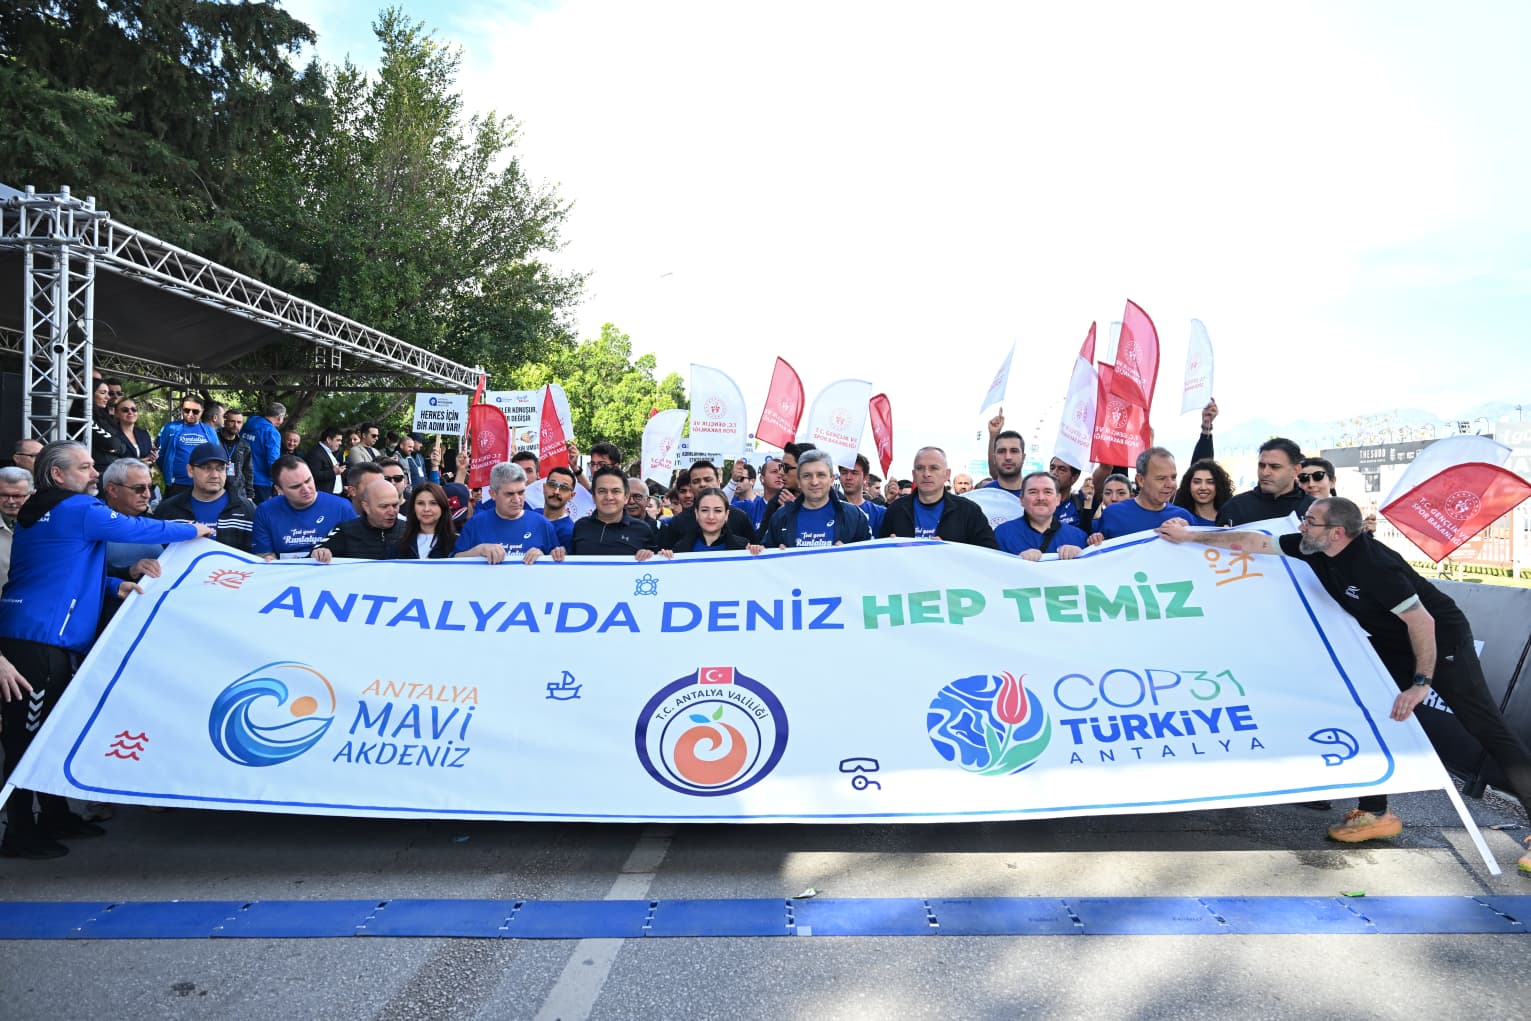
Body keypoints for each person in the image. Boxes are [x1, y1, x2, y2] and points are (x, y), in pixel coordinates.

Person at [1157, 498, 1531, 874]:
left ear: (1337, 532)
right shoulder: (1314, 547)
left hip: (1441, 641)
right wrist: (1189, 536)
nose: (1301, 527)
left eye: (1310, 522)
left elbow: (1423, 623)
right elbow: (1253, 542)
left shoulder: (1375, 566)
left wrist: (1421, 684)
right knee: (1369, 710)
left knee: (1485, 727)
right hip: (1393, 642)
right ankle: (1375, 813)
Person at [0, 442, 211, 859]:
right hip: (40, 640)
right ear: (58, 475)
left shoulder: (37, 512)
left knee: (48, 732)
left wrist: (116, 585)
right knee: (27, 739)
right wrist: (193, 530)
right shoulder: (77, 507)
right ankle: (19, 830)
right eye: (85, 467)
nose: (95, 472)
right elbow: (137, 529)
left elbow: (59, 572)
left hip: (35, 634)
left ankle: (55, 816)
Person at [879, 447, 998, 548]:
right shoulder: (896, 510)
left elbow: (989, 554)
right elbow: (880, 554)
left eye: (934, 468)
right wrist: (889, 546)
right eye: (920, 468)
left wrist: (951, 552)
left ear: (947, 474)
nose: (926, 474)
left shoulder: (969, 511)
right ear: (914, 474)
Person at [453, 462, 563, 565]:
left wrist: (543, 557)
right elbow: (454, 560)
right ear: (493, 494)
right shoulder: (475, 524)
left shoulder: (542, 524)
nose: (517, 500)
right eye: (509, 494)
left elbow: (558, 561)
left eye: (521, 492)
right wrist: (478, 551)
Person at [759, 449, 873, 548]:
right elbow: (765, 559)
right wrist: (760, 550)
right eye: (807, 476)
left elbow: (870, 557)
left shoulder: (854, 516)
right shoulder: (780, 517)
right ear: (799, 481)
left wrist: (849, 555)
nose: (814, 482)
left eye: (821, 475)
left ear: (832, 479)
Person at [251, 455, 357, 561]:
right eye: (296, 487)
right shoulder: (265, 511)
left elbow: (358, 551)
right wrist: (267, 559)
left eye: (308, 480)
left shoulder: (342, 508)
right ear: (279, 490)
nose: (306, 489)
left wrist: (331, 554)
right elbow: (263, 554)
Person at [155, 443, 257, 552]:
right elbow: (156, 553)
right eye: (206, 468)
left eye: (220, 468)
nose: (215, 475)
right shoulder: (167, 511)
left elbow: (259, 554)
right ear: (190, 470)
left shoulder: (247, 511)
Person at [1094, 447, 1195, 541]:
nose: (1170, 484)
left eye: (1173, 478)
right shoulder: (1113, 514)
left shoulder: (1184, 517)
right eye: (1161, 478)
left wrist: (1190, 536)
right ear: (1141, 480)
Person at [1219, 437, 1313, 526]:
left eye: (1275, 467)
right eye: (1262, 466)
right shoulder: (1235, 507)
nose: (1265, 472)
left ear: (1296, 470)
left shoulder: (1313, 508)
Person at [658, 460, 754, 548]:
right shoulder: (678, 523)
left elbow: (755, 553)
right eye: (696, 481)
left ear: (718, 482)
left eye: (708, 479)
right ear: (690, 486)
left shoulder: (739, 518)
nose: (702, 484)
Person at [995, 472, 1089, 560]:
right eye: (1033, 492)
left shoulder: (1078, 537)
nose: (1041, 498)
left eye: (1047, 492)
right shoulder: (1002, 534)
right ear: (1022, 499)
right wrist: (1017, 561)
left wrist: (1080, 556)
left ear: (1058, 499)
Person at [572, 466, 660, 558]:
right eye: (602, 491)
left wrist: (661, 556)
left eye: (616, 491)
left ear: (626, 497)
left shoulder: (642, 530)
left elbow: (656, 564)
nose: (609, 497)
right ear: (593, 497)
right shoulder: (580, 526)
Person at [312, 478, 406, 562]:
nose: (392, 512)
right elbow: (310, 560)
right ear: (366, 507)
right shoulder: (345, 531)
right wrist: (320, 553)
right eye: (384, 506)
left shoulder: (408, 531)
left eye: (395, 505)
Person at [658, 488, 763, 555]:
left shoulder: (743, 548)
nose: (711, 516)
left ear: (726, 515)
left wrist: (759, 553)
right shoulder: (679, 549)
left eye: (718, 511)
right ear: (696, 513)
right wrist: (662, 558)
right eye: (704, 510)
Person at [156, 395, 218, 497]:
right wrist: (168, 472)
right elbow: (160, 454)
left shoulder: (210, 431)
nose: (190, 414)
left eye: (195, 411)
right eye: (186, 410)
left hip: (202, 485)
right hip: (176, 485)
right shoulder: (171, 428)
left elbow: (216, 455)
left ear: (202, 411)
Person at [397, 482, 458, 559]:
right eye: (420, 503)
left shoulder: (457, 543)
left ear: (442, 507)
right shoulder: (400, 545)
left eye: (433, 503)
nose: (426, 509)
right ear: (413, 507)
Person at [240, 401, 286, 503]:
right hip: (261, 481)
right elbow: (273, 460)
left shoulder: (247, 425)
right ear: (280, 417)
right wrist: (278, 481)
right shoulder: (271, 432)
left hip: (240, 476)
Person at [1173, 458, 1235, 526]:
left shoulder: (1232, 519)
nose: (1203, 487)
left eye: (1210, 482)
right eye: (1197, 482)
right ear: (1188, 485)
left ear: (1219, 485)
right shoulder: (1178, 520)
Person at [0, 465, 33, 590]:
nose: (11, 501)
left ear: (31, 495)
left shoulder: (45, 525)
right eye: (4, 495)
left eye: (17, 496)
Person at [216, 408, 256, 504]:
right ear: (225, 422)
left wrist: (249, 495)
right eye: (232, 421)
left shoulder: (244, 445)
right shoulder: (214, 440)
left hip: (238, 492)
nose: (235, 425)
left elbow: (248, 470)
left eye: (239, 422)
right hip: (217, 489)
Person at [839, 453, 886, 536]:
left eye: (854, 473)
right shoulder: (830, 510)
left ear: (866, 478)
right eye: (844, 472)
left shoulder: (880, 513)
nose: (848, 477)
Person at [733, 455, 783, 532]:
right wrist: (732, 482)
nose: (780, 475)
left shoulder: (793, 508)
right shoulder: (748, 507)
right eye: (774, 472)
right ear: (762, 479)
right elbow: (722, 507)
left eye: (783, 472)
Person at [88, 379, 130, 471]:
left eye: (119, 393)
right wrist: (119, 447)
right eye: (103, 393)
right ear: (91, 392)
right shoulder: (85, 414)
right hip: (97, 469)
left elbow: (121, 443)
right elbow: (112, 443)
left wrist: (119, 447)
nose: (108, 397)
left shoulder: (103, 415)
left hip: (113, 468)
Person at [534, 464, 578, 548]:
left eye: (564, 488)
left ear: (571, 496)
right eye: (552, 485)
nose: (556, 492)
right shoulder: (533, 515)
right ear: (544, 488)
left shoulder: (569, 532)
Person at [306, 427, 345, 496]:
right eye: (338, 440)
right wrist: (333, 472)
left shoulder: (328, 451)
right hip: (325, 496)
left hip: (335, 495)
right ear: (328, 439)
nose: (340, 443)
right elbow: (313, 475)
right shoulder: (315, 453)